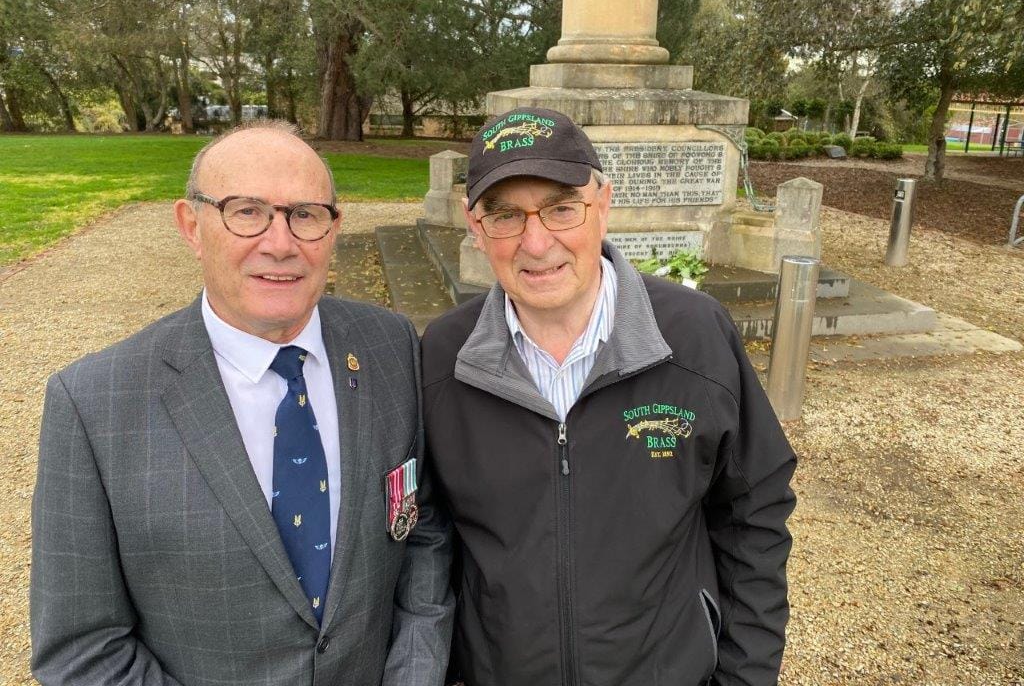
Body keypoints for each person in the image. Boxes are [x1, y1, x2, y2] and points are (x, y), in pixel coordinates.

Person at [31, 121, 453, 685]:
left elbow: (420, 529)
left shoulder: (388, 346)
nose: (280, 243)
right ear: (192, 225)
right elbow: (82, 650)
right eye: (246, 211)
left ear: (333, 228)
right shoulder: (93, 404)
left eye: (305, 214)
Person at [421, 107, 797, 686]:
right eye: (505, 216)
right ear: (475, 227)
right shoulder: (444, 359)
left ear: (603, 204)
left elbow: (754, 512)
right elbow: (427, 538)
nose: (536, 241)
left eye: (561, 208)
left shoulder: (694, 337)